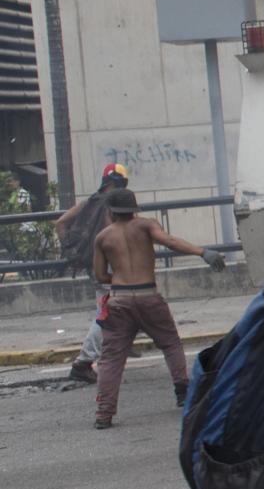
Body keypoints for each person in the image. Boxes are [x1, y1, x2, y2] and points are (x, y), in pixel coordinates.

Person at [91, 189, 226, 429]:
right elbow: (170, 241)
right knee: (170, 343)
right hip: (148, 295)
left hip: (119, 300)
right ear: (134, 209)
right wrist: (203, 252)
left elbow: (100, 275)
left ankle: (104, 413)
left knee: (111, 358)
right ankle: (182, 391)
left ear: (110, 211)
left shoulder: (103, 237)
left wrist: (122, 279)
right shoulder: (145, 226)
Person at [55, 163, 129, 384]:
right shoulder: (111, 205)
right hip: (109, 265)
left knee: (115, 310)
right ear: (121, 182)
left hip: (92, 264)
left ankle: (116, 349)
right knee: (106, 314)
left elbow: (60, 223)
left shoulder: (90, 202)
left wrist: (71, 249)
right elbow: (114, 235)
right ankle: (83, 362)